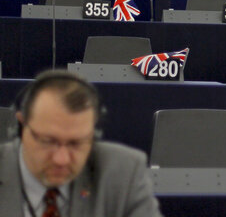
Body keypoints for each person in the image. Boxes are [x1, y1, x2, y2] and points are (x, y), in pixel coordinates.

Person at [0, 70, 162, 216]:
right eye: (48, 141)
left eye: (76, 143)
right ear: (21, 128)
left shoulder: (125, 174)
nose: (61, 160)